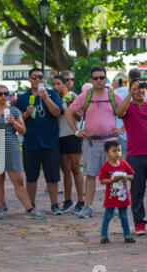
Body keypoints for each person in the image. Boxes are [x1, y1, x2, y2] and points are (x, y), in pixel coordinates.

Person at [65, 66, 124, 219]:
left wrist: (123, 129)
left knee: (114, 174)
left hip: (111, 141)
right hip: (91, 142)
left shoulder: (113, 95)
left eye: (101, 78)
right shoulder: (86, 95)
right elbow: (69, 112)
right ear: (91, 80)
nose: (99, 81)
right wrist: (76, 131)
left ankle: (115, 205)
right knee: (90, 175)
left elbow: (129, 110)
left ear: (106, 79)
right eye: (96, 78)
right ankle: (88, 206)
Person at [0, 85, 44, 219]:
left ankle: (30, 209)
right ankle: (1, 209)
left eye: (6, 93)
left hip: (11, 145)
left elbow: (23, 130)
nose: (3, 96)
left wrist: (14, 122)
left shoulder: (14, 111)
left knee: (18, 180)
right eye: (0, 94)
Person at [15, 67, 63, 215]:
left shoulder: (52, 94)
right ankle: (31, 205)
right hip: (31, 142)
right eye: (34, 77)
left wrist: (46, 98)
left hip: (50, 141)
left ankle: (54, 204)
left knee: (52, 176)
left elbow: (57, 112)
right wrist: (26, 114)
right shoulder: (23, 98)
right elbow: (16, 121)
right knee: (31, 177)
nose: (37, 80)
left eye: (40, 77)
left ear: (44, 79)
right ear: (29, 80)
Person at [117, 78, 147, 235]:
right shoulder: (129, 108)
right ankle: (139, 222)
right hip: (136, 155)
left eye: (142, 87)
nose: (140, 90)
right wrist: (129, 93)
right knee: (137, 190)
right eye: (137, 88)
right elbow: (119, 112)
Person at [52, 75, 85, 214]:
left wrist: (71, 105)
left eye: (58, 83)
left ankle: (81, 201)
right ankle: (67, 200)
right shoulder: (52, 97)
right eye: (53, 84)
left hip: (73, 134)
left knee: (75, 168)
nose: (56, 86)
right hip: (59, 136)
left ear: (64, 84)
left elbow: (79, 116)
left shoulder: (72, 95)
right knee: (65, 169)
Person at [98, 140, 135, 244]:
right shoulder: (105, 166)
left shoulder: (124, 164)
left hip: (123, 196)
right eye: (114, 151)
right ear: (106, 153)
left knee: (124, 216)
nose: (117, 153)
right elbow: (102, 180)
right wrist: (112, 180)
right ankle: (104, 236)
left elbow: (132, 175)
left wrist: (126, 177)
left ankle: (127, 235)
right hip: (111, 197)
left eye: (119, 151)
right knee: (108, 216)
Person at [114, 68, 142, 160]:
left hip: (123, 134)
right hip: (132, 135)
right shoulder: (143, 91)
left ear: (129, 78)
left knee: (123, 164)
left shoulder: (118, 92)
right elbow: (120, 113)